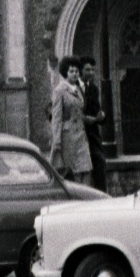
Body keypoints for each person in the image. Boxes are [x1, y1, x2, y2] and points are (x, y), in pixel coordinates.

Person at [50, 54, 93, 184]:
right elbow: (56, 117)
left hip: (80, 136)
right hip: (68, 138)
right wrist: (57, 141)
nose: (74, 74)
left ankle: (85, 198)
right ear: (65, 73)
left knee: (87, 169)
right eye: (71, 71)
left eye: (76, 71)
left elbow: (79, 113)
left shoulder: (78, 90)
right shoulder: (60, 91)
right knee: (75, 173)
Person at [80, 56, 107, 193]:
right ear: (81, 71)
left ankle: (101, 196)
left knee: (100, 163)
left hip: (92, 135)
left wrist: (101, 117)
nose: (91, 73)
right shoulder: (73, 88)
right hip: (79, 134)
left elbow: (96, 109)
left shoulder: (94, 89)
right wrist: (85, 119)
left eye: (92, 70)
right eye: (87, 69)